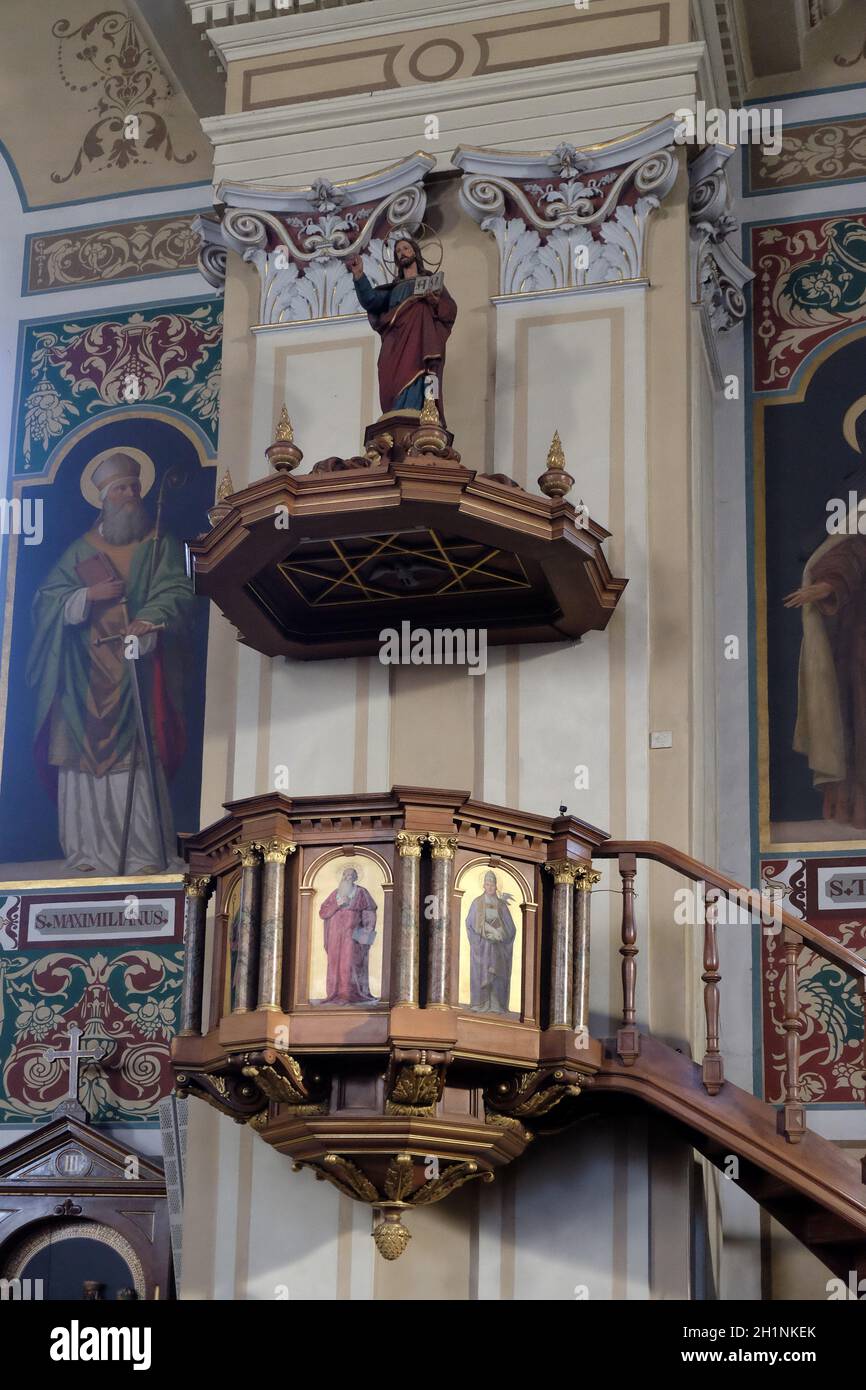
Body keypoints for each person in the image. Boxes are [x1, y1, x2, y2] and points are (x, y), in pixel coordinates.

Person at [26, 451, 193, 874]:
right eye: (121, 488)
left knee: (135, 763)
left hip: (134, 670)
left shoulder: (160, 544)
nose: (131, 495)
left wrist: (148, 620)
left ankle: (141, 853)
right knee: (81, 767)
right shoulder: (79, 551)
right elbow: (45, 603)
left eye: (135, 487)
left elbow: (176, 590)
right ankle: (86, 854)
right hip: (82, 678)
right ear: (102, 496)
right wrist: (85, 598)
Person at [346, 235, 457, 420]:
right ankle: (397, 412)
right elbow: (371, 301)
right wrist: (359, 276)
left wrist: (434, 302)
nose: (402, 253)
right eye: (398, 251)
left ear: (415, 252)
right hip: (396, 342)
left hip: (423, 341)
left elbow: (450, 310)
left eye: (406, 248)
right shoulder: (393, 289)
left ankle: (426, 412)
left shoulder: (431, 282)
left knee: (425, 374)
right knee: (394, 379)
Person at [318, 866, 378, 1004]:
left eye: (351, 874)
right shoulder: (335, 894)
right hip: (334, 934)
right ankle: (335, 994)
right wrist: (337, 904)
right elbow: (323, 912)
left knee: (350, 962)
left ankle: (349, 994)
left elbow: (369, 910)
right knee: (334, 962)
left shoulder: (361, 892)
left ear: (356, 877)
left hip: (352, 933)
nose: (347, 877)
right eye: (345, 874)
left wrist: (368, 928)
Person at [465, 871, 517, 1014]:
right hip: (482, 947)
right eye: (487, 884)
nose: (489, 887)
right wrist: (486, 931)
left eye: (492, 885)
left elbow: (511, 928)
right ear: (483, 885)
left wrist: (501, 933)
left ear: (496, 886)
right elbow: (470, 923)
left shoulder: (502, 905)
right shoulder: (477, 902)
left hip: (498, 947)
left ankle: (496, 1004)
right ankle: (481, 1003)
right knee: (482, 973)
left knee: (497, 975)